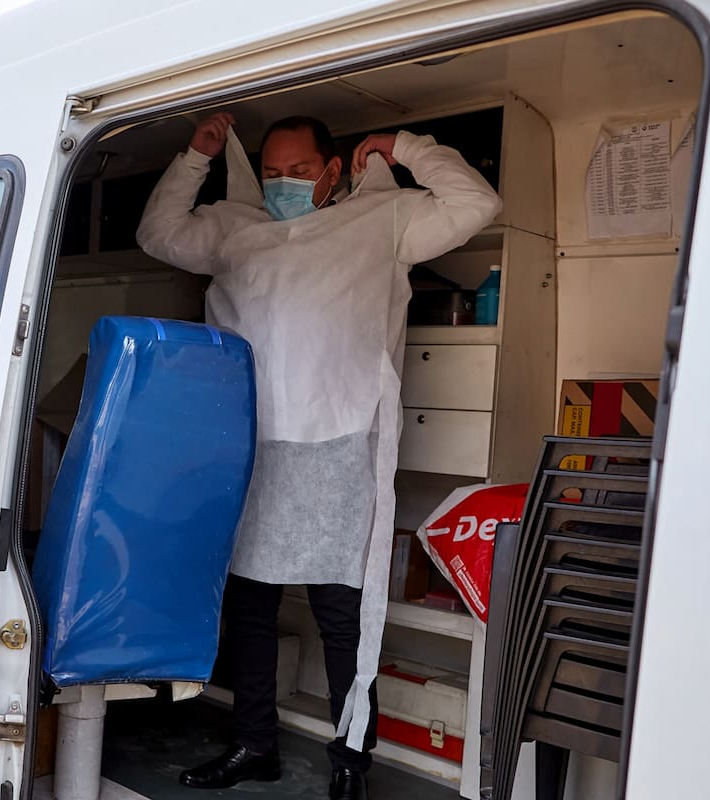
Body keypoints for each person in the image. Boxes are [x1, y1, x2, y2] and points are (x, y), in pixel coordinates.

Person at [137, 111, 501, 800]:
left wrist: (407, 147)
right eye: (272, 172)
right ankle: (254, 745)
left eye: (299, 173)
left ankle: (351, 758)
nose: (283, 184)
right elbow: (156, 234)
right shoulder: (233, 228)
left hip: (340, 443)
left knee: (343, 616)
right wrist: (195, 158)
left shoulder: (383, 220)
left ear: (334, 171)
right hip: (251, 444)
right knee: (249, 609)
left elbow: (476, 203)